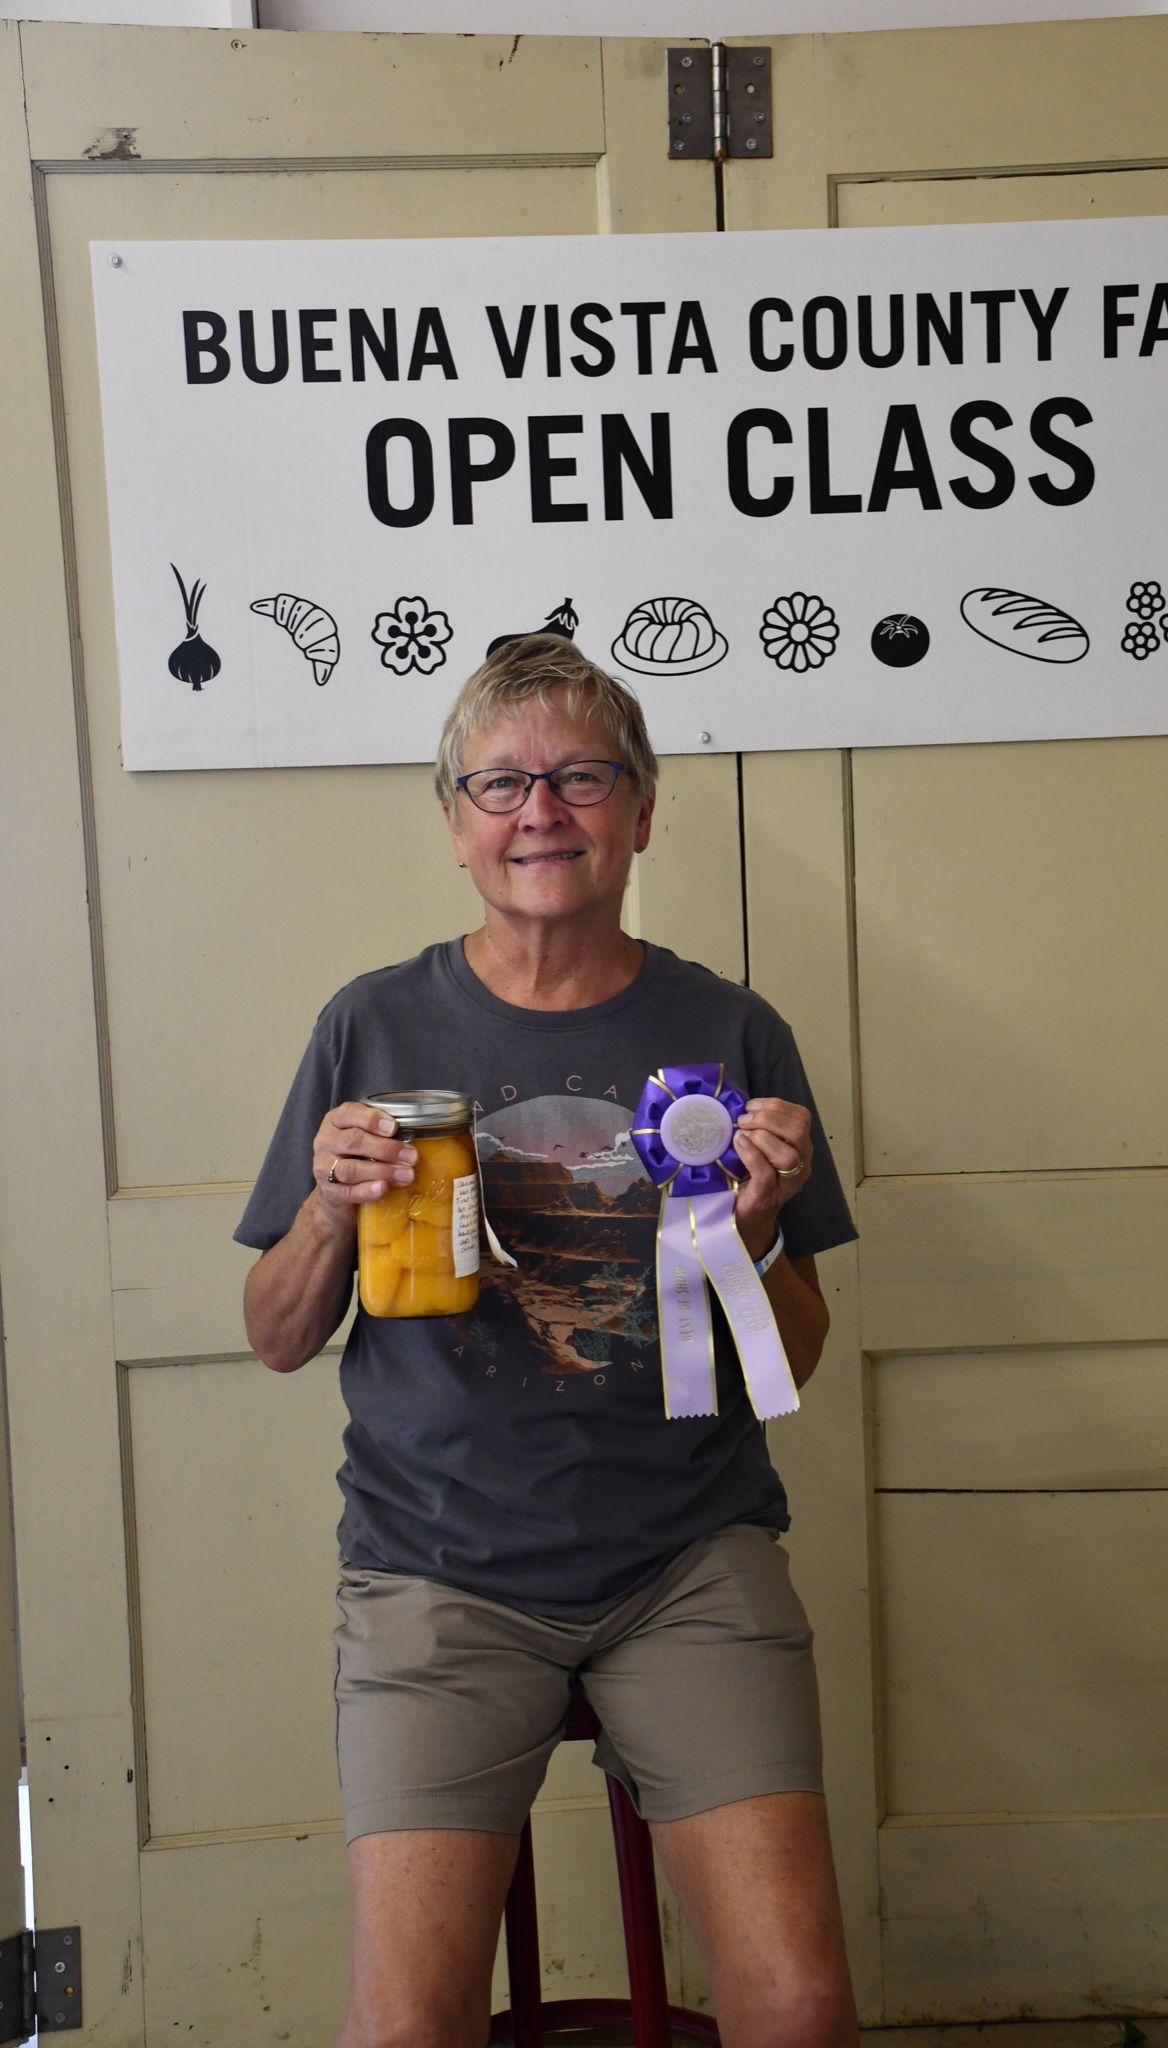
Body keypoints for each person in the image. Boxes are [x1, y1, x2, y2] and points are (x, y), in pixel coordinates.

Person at [235, 636, 861, 2048]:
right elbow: (276, 1337)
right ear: (454, 824)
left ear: (642, 810)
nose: (542, 812)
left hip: (688, 1562)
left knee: (802, 2007)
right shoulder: (372, 1021)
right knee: (402, 2029)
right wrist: (330, 1215)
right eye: (502, 783)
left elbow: (797, 1356)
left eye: (583, 776)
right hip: (434, 1574)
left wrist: (759, 1229)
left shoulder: (728, 1027)